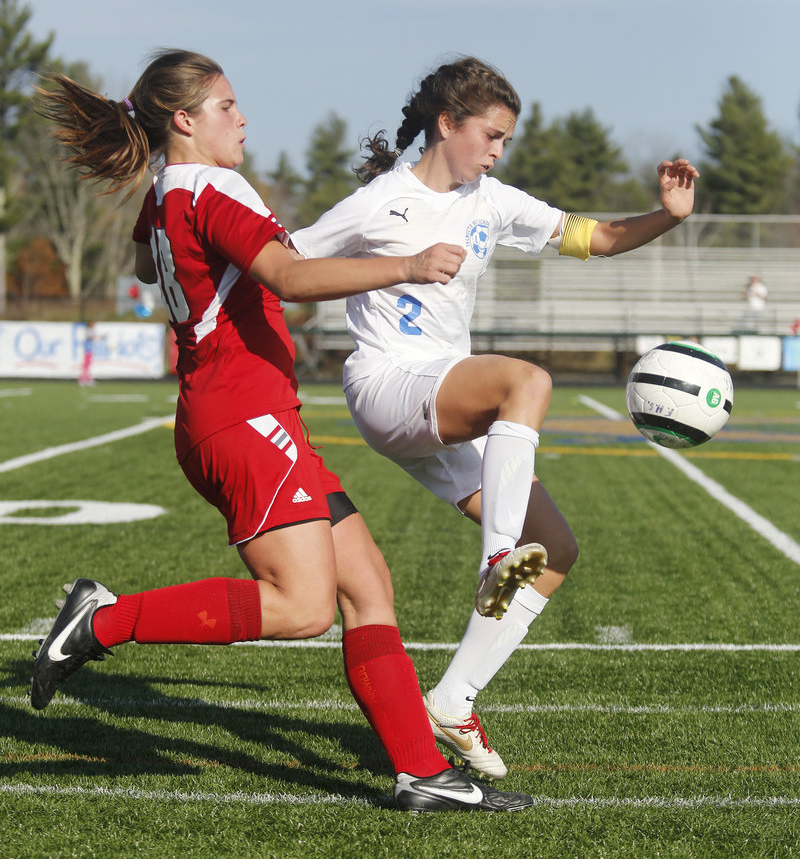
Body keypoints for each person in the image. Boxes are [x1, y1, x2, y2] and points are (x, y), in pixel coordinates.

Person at [29, 49, 534, 813]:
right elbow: (290, 278)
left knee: (369, 587)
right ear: (185, 120)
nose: (243, 119)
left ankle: (421, 772)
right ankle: (102, 620)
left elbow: (143, 264)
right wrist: (405, 264)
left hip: (239, 412)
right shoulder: (211, 183)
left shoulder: (168, 186)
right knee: (303, 607)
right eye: (227, 106)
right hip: (242, 414)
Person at [292, 55, 699, 779]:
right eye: (491, 134)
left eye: (507, 140)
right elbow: (288, 270)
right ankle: (494, 557)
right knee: (528, 381)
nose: (498, 150)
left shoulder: (492, 199)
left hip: (446, 399)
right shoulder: (378, 204)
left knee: (556, 546)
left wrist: (664, 218)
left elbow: (595, 238)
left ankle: (454, 698)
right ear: (447, 124)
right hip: (387, 385)